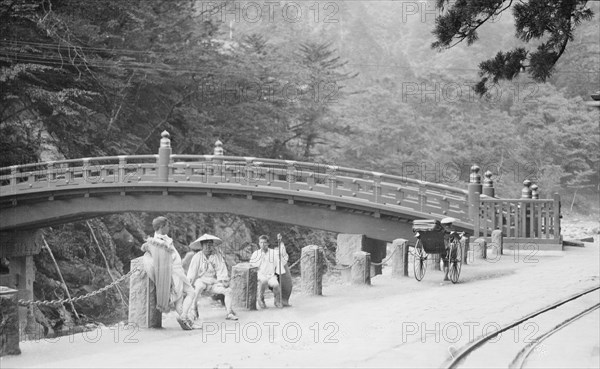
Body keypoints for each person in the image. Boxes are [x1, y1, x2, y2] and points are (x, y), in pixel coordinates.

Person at [141, 216, 196, 330]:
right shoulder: (156, 242)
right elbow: (162, 258)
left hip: (176, 270)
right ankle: (184, 317)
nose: (169, 228)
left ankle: (186, 320)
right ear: (162, 226)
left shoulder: (162, 239)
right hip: (173, 272)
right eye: (167, 226)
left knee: (179, 299)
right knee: (190, 292)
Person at [187, 234, 239, 322]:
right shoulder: (197, 257)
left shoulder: (217, 256)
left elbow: (221, 270)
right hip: (201, 280)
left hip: (214, 282)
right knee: (198, 288)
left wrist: (223, 281)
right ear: (202, 246)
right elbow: (192, 272)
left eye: (210, 245)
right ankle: (193, 309)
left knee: (228, 291)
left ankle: (229, 313)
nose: (208, 247)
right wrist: (189, 283)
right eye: (206, 245)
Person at [249, 235, 287, 309]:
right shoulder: (256, 254)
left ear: (267, 243)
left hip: (271, 275)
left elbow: (280, 258)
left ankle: (277, 301)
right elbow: (252, 266)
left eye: (264, 243)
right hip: (261, 274)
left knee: (276, 284)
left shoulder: (273, 253)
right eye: (261, 242)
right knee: (263, 281)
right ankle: (261, 299)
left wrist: (280, 241)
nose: (263, 244)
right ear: (259, 243)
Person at [275, 233, 293, 307]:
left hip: (282, 264)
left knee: (287, 284)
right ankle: (278, 300)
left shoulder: (282, 247)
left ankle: (283, 300)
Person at [440, 217, 457, 282]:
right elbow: (457, 237)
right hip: (448, 247)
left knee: (444, 261)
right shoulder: (452, 230)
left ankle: (446, 275)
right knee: (448, 261)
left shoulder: (442, 230)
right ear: (450, 224)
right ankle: (446, 276)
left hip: (441, 246)